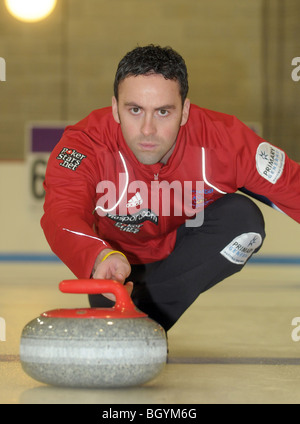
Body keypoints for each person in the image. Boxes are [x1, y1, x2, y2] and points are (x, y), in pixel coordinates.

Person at [41, 45, 300, 332]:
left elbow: (294, 188)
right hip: (113, 268)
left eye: (163, 112)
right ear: (115, 108)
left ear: (185, 110)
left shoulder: (224, 141)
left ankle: (146, 322)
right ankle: (132, 319)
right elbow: (60, 215)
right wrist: (98, 255)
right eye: (135, 110)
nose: (147, 130)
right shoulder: (85, 145)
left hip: (180, 255)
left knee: (244, 222)